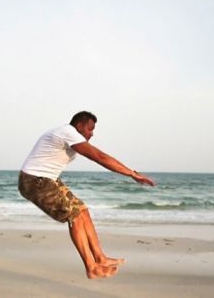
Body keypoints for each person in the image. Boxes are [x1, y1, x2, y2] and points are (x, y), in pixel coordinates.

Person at [19, 111, 155, 279]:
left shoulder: (66, 134)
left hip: (47, 180)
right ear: (80, 126)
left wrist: (131, 173)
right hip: (35, 181)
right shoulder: (68, 133)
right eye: (90, 129)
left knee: (82, 210)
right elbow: (99, 157)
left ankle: (100, 258)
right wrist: (132, 174)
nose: (92, 134)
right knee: (74, 216)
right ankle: (91, 267)